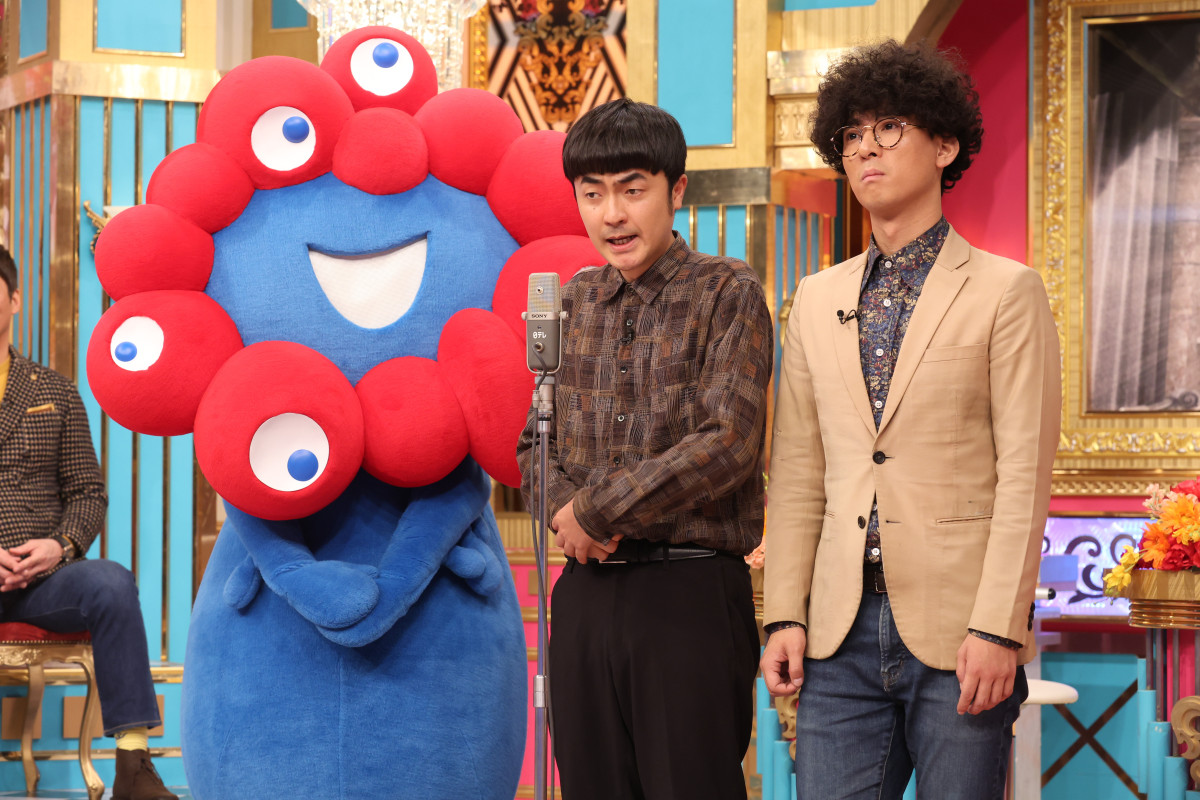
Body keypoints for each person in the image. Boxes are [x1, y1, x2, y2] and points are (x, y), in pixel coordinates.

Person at [759, 40, 1061, 800]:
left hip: (960, 630)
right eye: (851, 135)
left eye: (889, 128)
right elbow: (797, 473)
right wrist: (783, 614)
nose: (866, 148)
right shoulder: (815, 298)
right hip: (837, 635)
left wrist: (998, 628)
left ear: (944, 145)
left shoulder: (1006, 291)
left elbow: (1023, 476)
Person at [516, 98, 773, 800]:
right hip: (585, 594)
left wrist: (595, 511)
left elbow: (728, 443)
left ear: (676, 190)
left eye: (632, 190)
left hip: (688, 593)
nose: (612, 214)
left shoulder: (727, 291)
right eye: (592, 194)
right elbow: (533, 440)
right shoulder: (572, 301)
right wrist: (568, 511)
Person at [0, 244, 177, 800]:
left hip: (41, 581)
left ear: (15, 300)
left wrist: (59, 545)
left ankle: (133, 766)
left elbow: (87, 494)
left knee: (111, 582)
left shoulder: (53, 390)